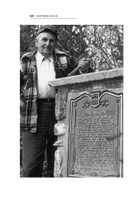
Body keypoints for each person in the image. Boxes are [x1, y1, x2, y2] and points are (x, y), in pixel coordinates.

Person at [20, 25, 91, 177]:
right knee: (31, 166)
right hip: (33, 113)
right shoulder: (25, 61)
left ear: (55, 43)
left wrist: (84, 68)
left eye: (52, 40)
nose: (48, 43)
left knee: (59, 162)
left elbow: (82, 77)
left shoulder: (64, 59)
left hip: (61, 112)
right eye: (44, 39)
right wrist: (20, 103)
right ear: (36, 42)